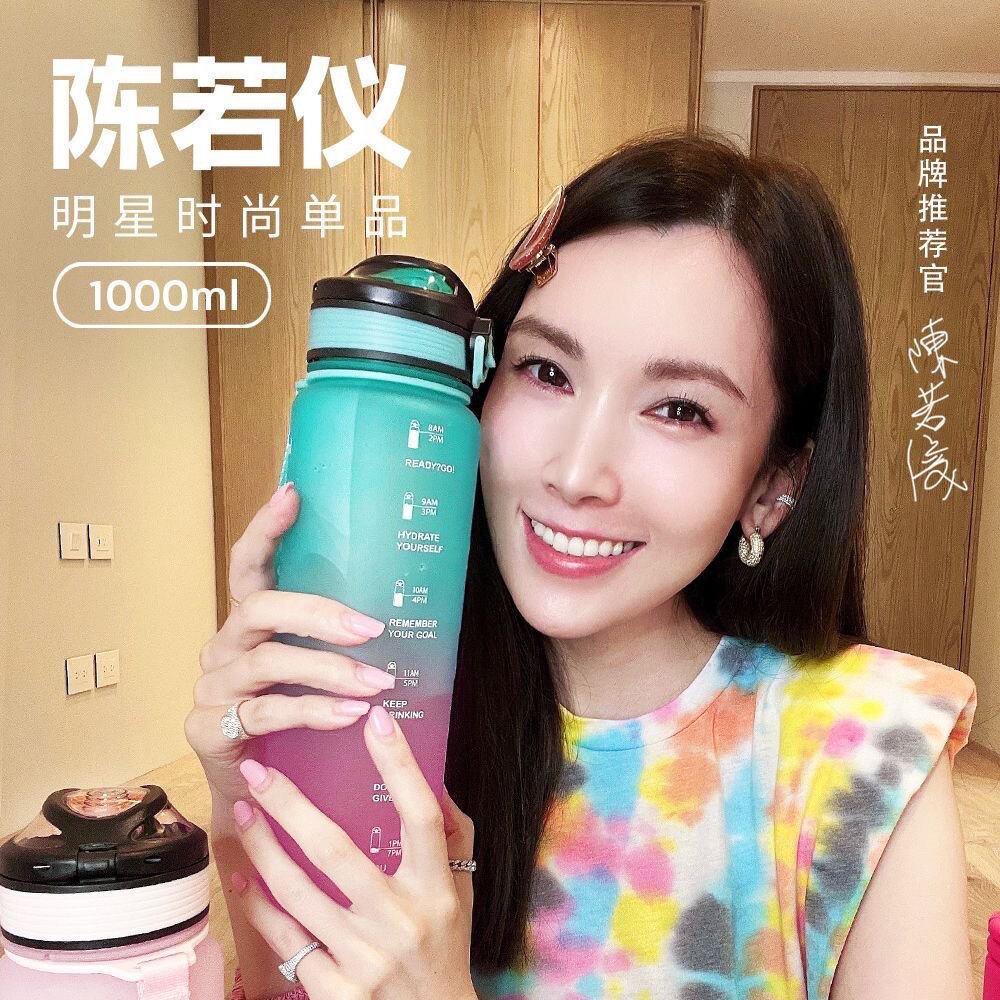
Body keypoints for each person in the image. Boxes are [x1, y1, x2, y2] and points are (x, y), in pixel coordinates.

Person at [186, 129, 978, 1000]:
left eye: (679, 409)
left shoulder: (871, 751)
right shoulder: (394, 700)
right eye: (547, 371)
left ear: (773, 484)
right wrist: (248, 795)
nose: (575, 473)